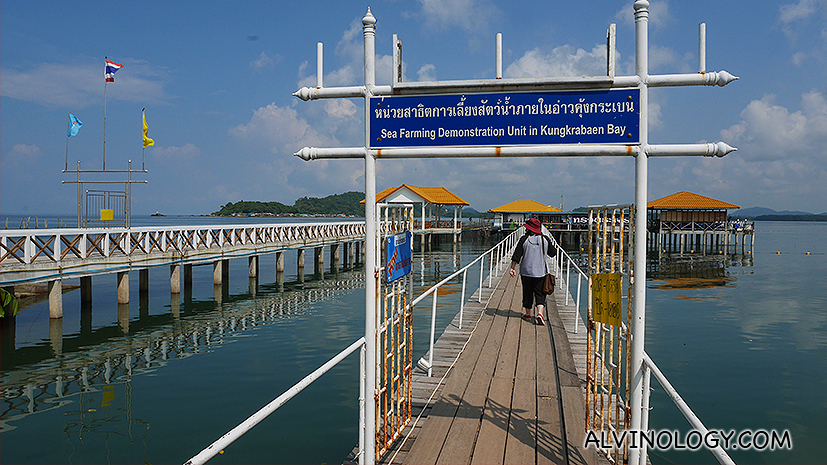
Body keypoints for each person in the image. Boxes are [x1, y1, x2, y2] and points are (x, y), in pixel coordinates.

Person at [509, 217, 554, 325]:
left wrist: (512, 268)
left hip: (526, 271)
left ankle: (528, 314)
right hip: (541, 271)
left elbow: (517, 255)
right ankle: (539, 314)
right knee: (540, 293)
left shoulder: (524, 239)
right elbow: (552, 253)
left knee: (527, 292)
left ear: (528, 228)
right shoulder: (546, 239)